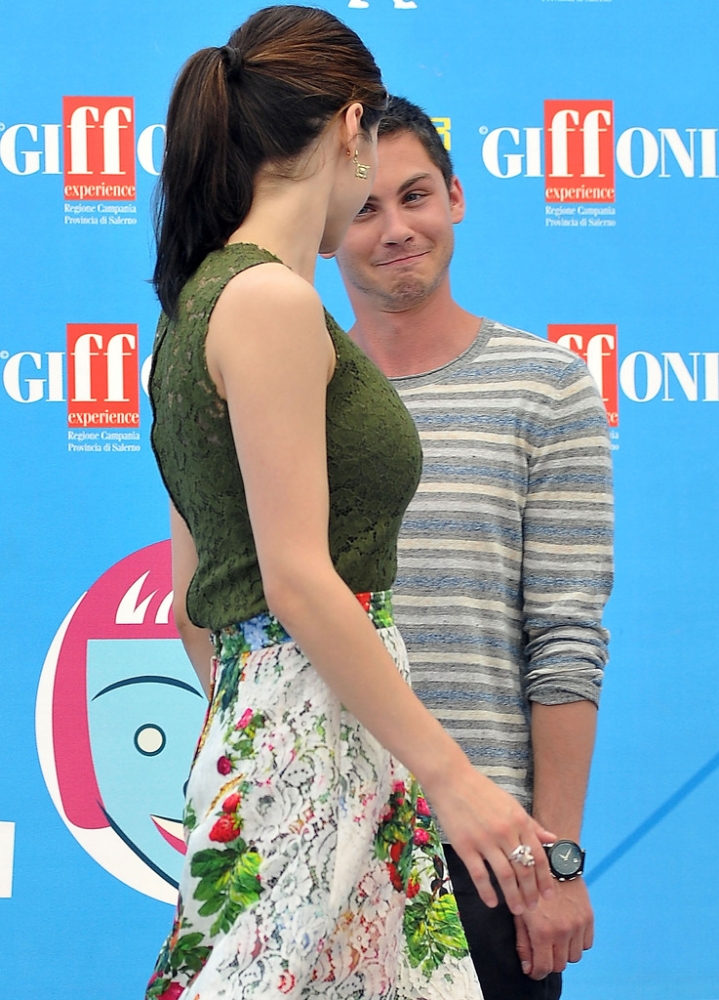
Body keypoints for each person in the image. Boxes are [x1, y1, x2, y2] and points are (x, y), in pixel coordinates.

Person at [144, 9, 557, 999]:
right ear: (349, 129)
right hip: (315, 734)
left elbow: (192, 598)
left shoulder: (195, 306)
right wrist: (454, 778)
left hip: (290, 728)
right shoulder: (271, 304)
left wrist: (263, 723)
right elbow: (293, 578)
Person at [334, 96, 614, 1000]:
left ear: (455, 196)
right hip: (324, 834)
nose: (396, 228)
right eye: (365, 207)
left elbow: (565, 639)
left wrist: (555, 859)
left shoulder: (548, 387)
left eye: (415, 195)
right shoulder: (283, 391)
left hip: (489, 854)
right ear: (325, 229)